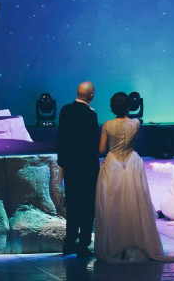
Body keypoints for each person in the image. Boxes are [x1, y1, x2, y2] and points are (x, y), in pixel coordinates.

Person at [95, 92, 174, 263]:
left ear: (112, 107)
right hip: (131, 163)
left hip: (113, 164)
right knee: (133, 203)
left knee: (113, 204)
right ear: (128, 107)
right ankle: (132, 243)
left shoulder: (107, 124)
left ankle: (116, 246)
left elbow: (101, 150)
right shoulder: (136, 123)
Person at [57, 81, 100, 257]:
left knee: (73, 204)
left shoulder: (65, 110)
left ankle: (69, 243)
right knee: (87, 206)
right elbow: (93, 142)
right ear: (91, 96)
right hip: (87, 167)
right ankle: (83, 244)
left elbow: (61, 137)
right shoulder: (90, 115)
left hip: (70, 165)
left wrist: (62, 162)